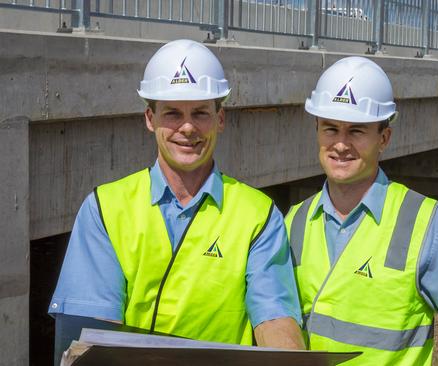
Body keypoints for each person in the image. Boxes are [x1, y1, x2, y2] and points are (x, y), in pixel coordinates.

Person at [49, 39, 304, 350]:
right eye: (172, 113)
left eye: (200, 113)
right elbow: (90, 335)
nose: (187, 128)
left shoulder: (258, 215)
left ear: (219, 119)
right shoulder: (105, 208)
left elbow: (274, 320)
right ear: (150, 118)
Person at [285, 56, 438, 365]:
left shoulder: (425, 223)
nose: (340, 144)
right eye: (330, 129)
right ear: (316, 130)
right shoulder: (294, 221)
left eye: (356, 131)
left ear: (384, 138)